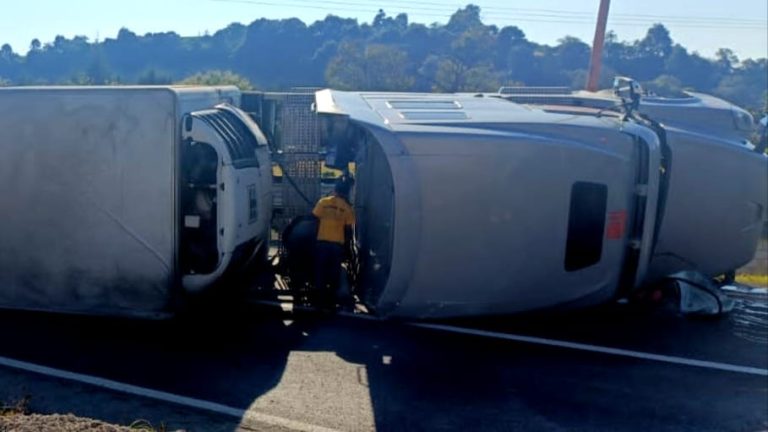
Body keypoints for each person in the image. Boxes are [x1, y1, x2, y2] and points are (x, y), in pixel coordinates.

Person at [312, 175, 355, 310]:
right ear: (346, 192)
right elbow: (348, 231)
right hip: (337, 246)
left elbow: (314, 220)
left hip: (321, 244)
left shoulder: (323, 202)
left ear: (335, 190)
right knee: (334, 273)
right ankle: (331, 301)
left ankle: (319, 301)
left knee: (320, 272)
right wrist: (348, 249)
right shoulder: (348, 209)